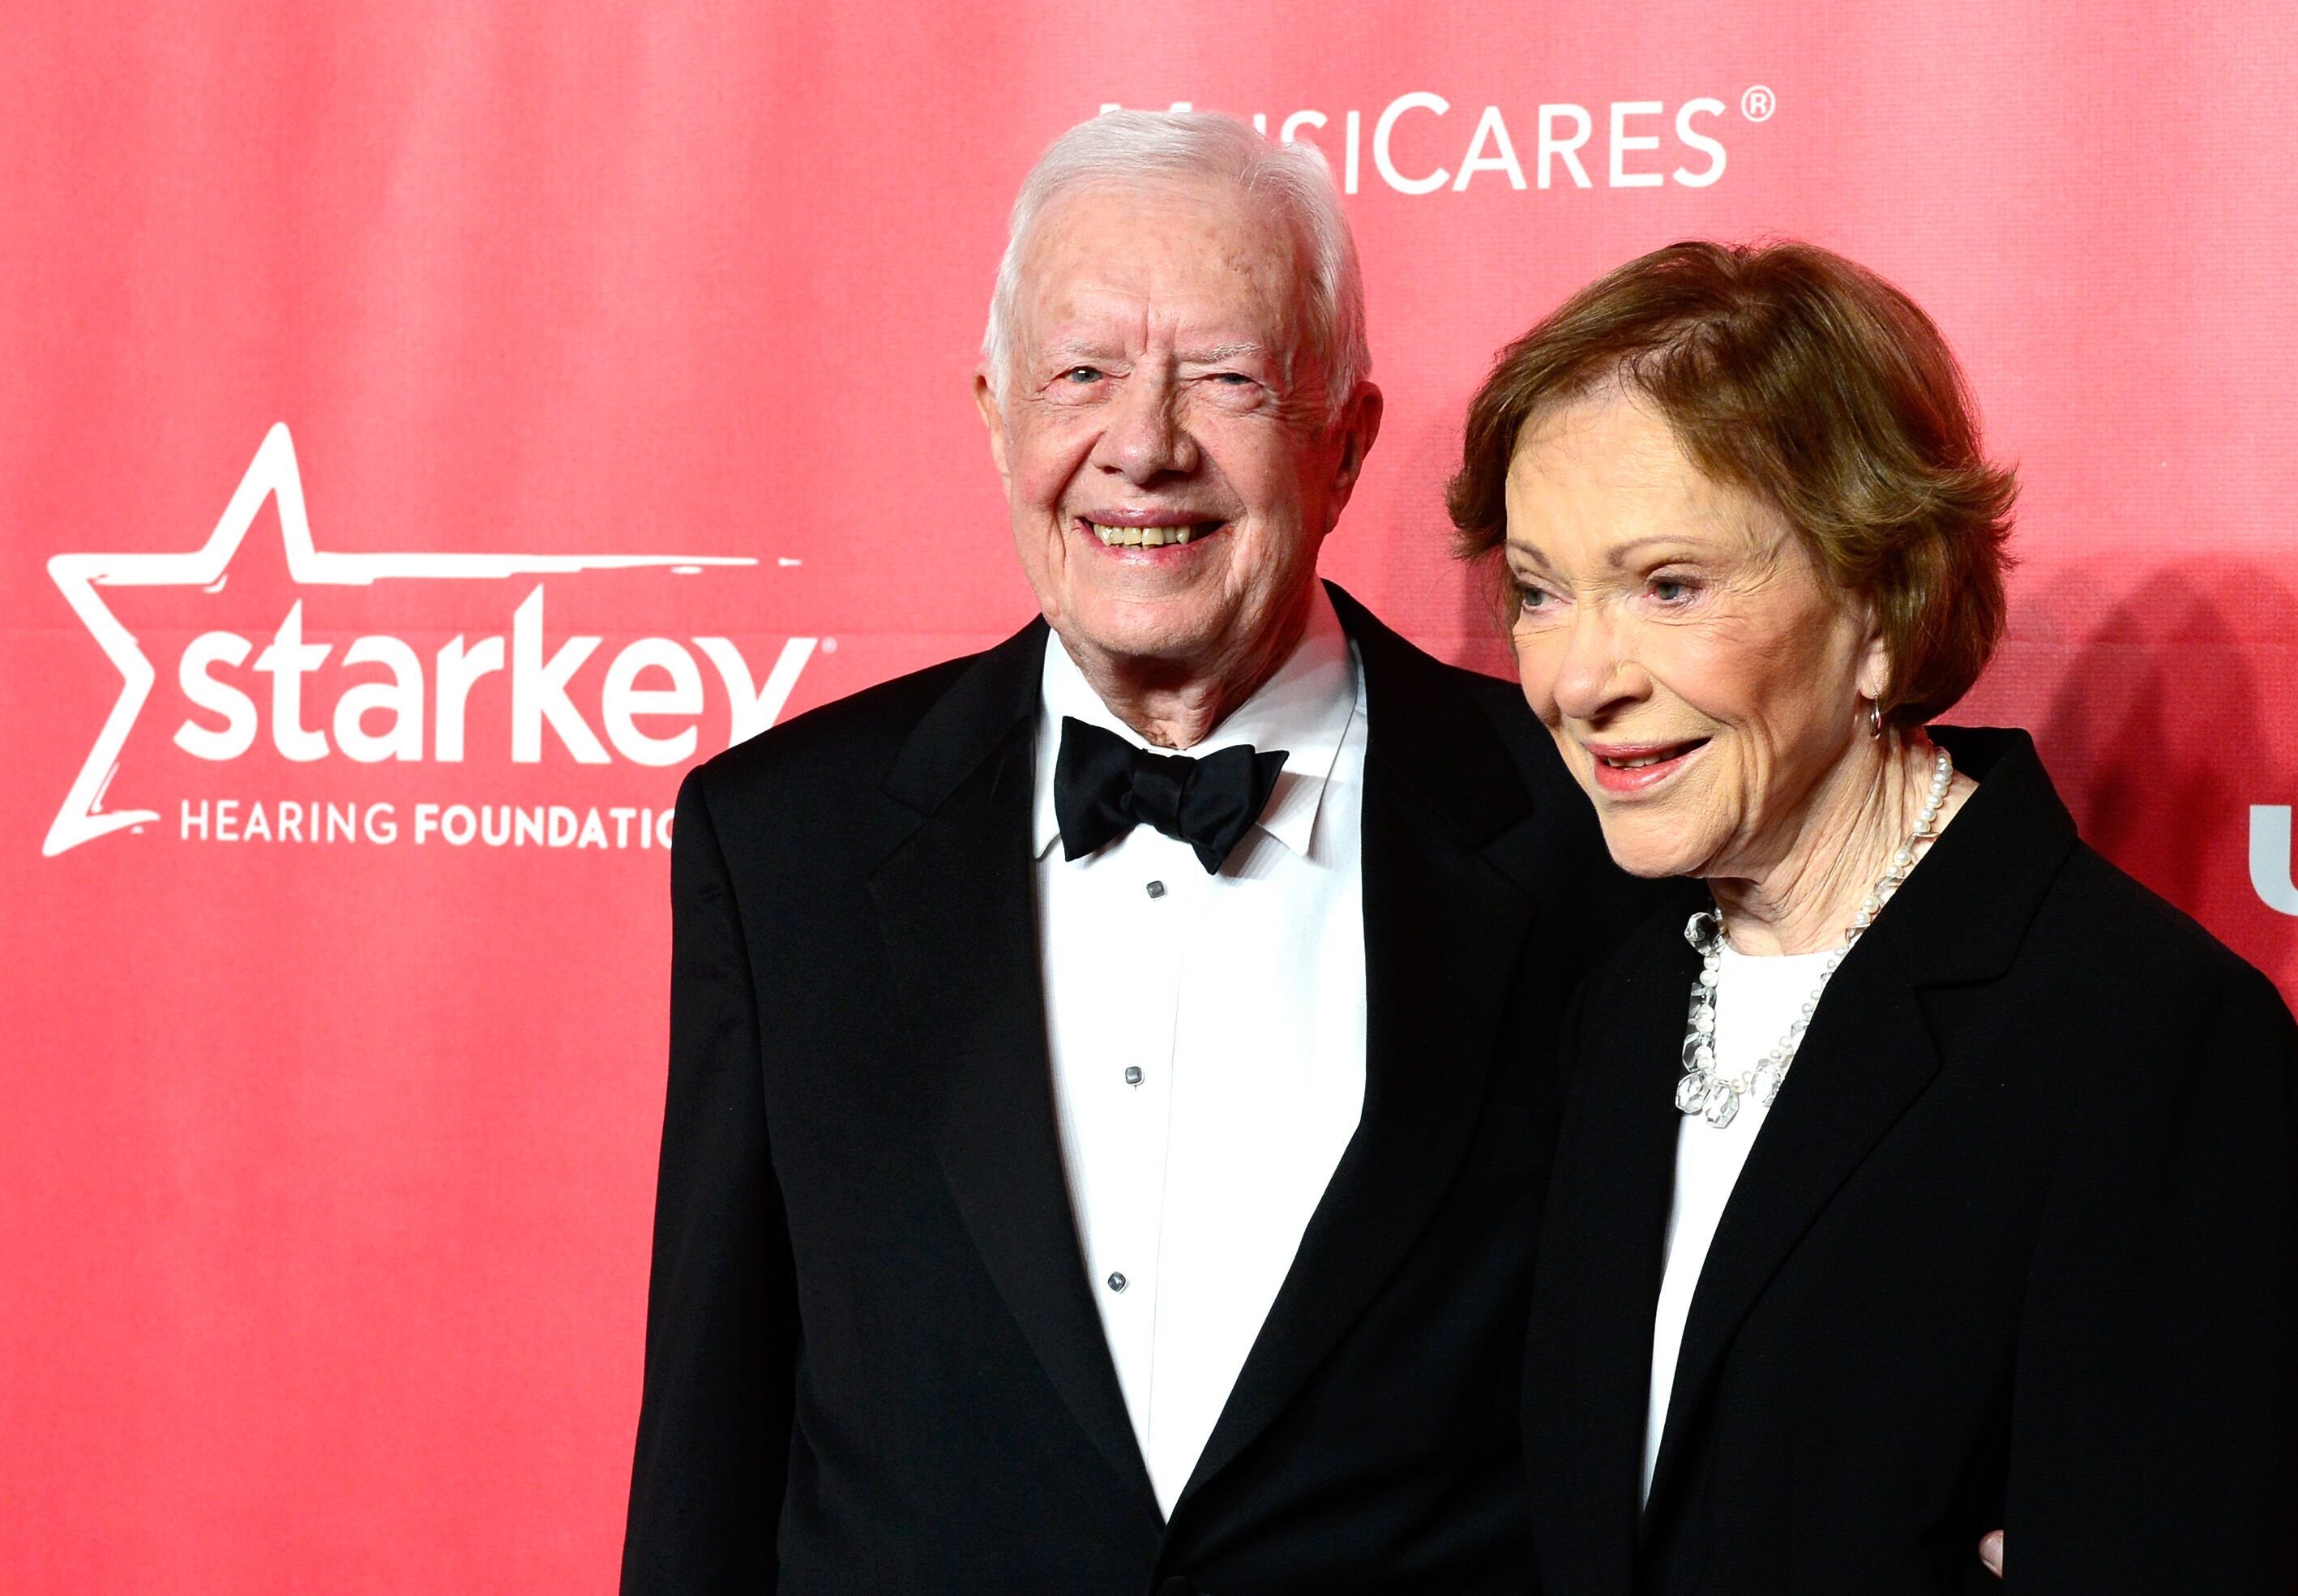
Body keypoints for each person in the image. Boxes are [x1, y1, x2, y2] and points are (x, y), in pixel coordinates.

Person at [618, 110, 1661, 1594]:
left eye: (1227, 379)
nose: (1145, 447)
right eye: (1081, 374)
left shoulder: (1587, 830)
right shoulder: (781, 839)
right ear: (996, 415)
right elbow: (713, 1440)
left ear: (1348, 443)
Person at [1447, 241, 2298, 1594]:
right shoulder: (1619, 1008)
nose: (1577, 679)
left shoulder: (2141, 1036)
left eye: (1668, 586)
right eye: (1540, 592)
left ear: (1880, 602)